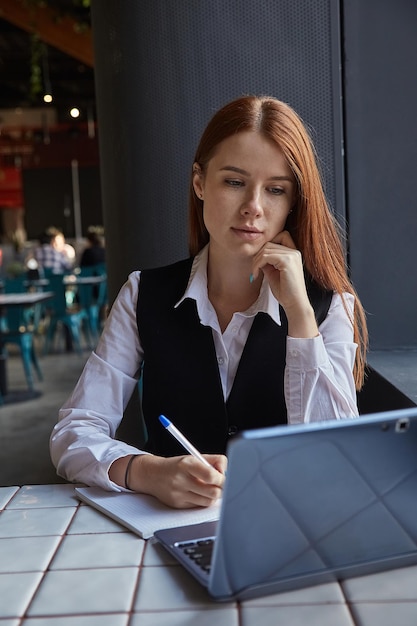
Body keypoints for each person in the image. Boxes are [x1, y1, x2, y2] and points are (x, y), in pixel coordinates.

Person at [50, 95, 368, 509]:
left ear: (293, 203)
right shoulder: (144, 293)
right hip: (165, 530)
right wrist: (147, 471)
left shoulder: (328, 306)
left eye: (275, 190)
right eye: (234, 182)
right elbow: (74, 431)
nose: (253, 207)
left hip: (286, 528)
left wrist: (300, 315)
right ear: (199, 182)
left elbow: (338, 459)